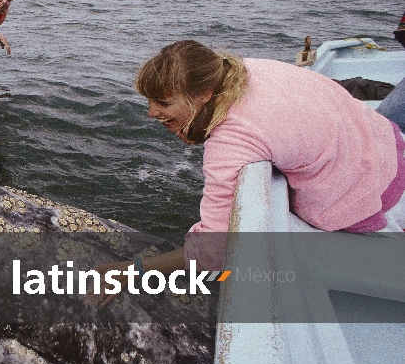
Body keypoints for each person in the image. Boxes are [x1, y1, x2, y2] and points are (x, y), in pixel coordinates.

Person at [107, 40, 405, 278]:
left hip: (369, 195)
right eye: (149, 101)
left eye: (163, 102)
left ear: (205, 93)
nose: (150, 112)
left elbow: (214, 248)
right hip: (390, 147)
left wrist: (131, 270)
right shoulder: (247, 68)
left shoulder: (233, 137)